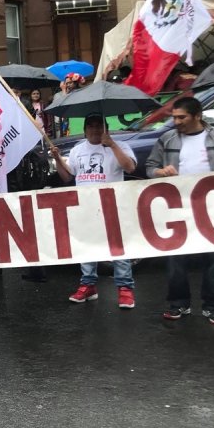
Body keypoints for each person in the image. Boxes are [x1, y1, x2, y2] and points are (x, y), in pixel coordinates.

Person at [145, 96, 214, 325]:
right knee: (176, 260)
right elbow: (150, 167)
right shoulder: (167, 139)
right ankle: (178, 305)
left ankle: (212, 308)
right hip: (178, 208)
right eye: (174, 117)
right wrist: (160, 173)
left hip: (213, 208)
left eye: (181, 117)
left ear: (197, 116)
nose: (176, 121)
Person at [50, 113, 137, 309]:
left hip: (112, 205)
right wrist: (57, 159)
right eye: (91, 126)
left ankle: (125, 288)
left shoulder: (121, 146)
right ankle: (88, 285)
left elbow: (130, 167)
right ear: (85, 129)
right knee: (86, 246)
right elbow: (67, 177)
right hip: (86, 206)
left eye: (100, 126)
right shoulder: (77, 150)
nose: (95, 130)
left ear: (106, 128)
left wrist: (112, 145)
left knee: (117, 247)